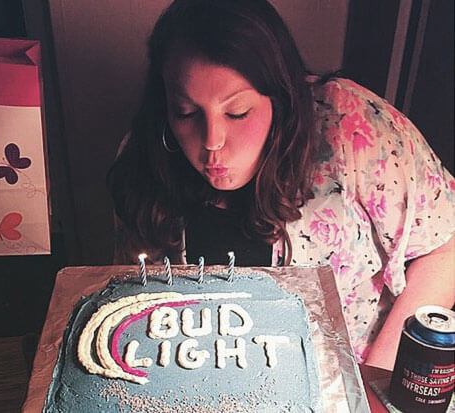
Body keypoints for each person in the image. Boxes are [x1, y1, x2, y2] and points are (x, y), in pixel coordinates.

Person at [108, 0, 455, 370]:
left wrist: (375, 377)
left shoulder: (353, 127)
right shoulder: (143, 159)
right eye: (186, 112)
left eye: (237, 112)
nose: (212, 141)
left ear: (282, 96)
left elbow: (445, 249)